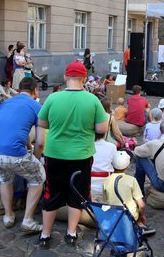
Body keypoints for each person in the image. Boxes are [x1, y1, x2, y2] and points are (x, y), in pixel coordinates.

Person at [37, 61, 108, 248]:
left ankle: (45, 235)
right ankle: (71, 233)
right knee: (77, 194)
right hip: (81, 155)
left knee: (51, 193)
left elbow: (42, 123)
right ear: (84, 79)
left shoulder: (53, 98)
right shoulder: (92, 100)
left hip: (55, 154)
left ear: (65, 77)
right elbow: (102, 128)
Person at [0, 78, 46, 234]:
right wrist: (36, 159)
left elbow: (16, 130)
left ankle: (9, 216)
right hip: (13, 154)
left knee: (5, 179)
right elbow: (40, 142)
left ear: (18, 90)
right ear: (36, 91)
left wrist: (28, 148)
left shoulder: (5, 104)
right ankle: (28, 220)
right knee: (38, 177)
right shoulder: (36, 106)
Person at [103, 151, 154, 235]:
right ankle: (139, 225)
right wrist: (141, 216)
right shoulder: (132, 180)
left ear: (112, 164)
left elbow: (106, 200)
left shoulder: (106, 180)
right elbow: (141, 205)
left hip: (114, 215)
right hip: (129, 216)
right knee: (135, 202)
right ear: (128, 166)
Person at [91, 132, 116, 202]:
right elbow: (116, 165)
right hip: (107, 186)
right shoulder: (112, 147)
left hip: (88, 185)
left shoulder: (85, 146)